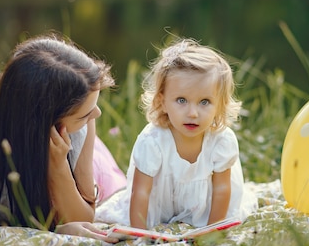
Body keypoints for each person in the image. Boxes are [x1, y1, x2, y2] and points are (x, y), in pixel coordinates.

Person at [0, 32, 125, 242]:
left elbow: (83, 218)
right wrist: (53, 232)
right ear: (42, 119)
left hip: (82, 158)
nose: (97, 114)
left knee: (112, 188)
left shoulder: (82, 118)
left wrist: (58, 166)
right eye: (85, 114)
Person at [110, 38, 257, 229]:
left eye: (204, 102)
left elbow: (221, 189)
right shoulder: (153, 140)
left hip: (207, 209)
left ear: (219, 104)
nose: (193, 113)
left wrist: (212, 230)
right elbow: (141, 192)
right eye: (181, 100)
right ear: (162, 101)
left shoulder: (221, 140)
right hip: (159, 208)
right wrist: (138, 234)